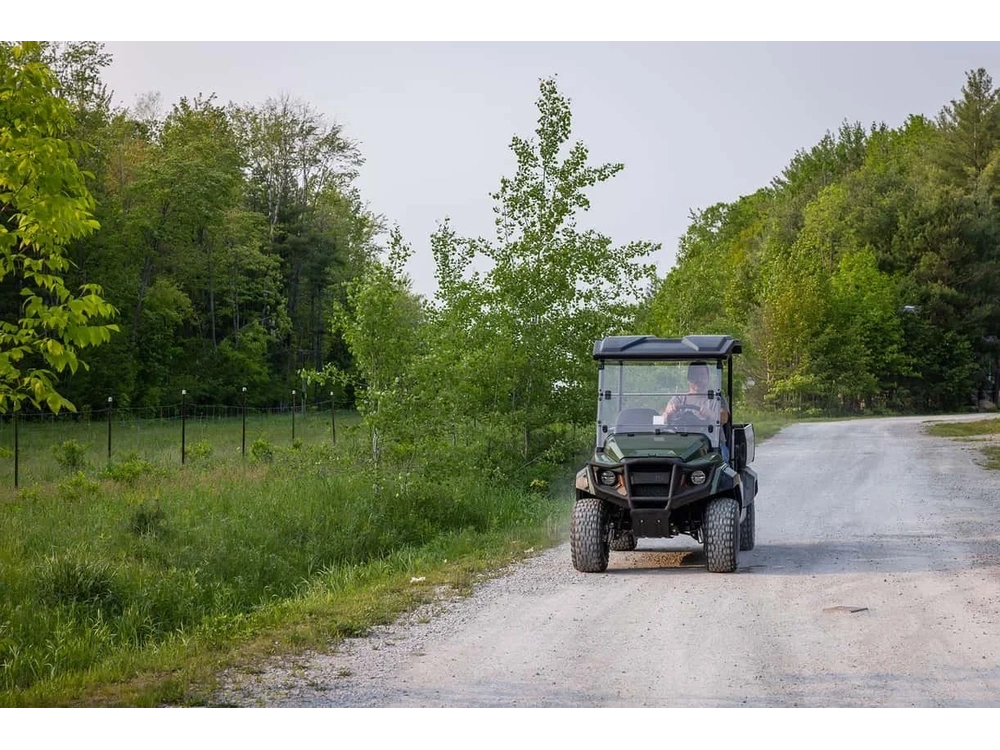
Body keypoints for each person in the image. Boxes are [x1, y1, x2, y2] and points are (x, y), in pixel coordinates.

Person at [662, 361, 731, 461]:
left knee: (720, 465)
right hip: (682, 445)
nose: (698, 379)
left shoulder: (716, 397)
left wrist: (710, 414)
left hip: (711, 445)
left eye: (702, 375)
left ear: (707, 377)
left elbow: (724, 418)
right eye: (695, 375)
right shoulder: (679, 399)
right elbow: (661, 420)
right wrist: (667, 412)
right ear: (689, 379)